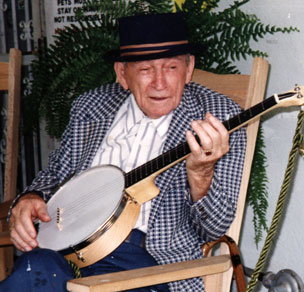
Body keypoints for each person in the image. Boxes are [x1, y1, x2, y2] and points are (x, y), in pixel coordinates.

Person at [0, 12, 246, 292]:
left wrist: (201, 174)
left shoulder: (220, 118)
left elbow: (213, 229)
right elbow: (53, 177)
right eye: (145, 70)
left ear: (188, 70)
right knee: (29, 278)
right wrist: (30, 199)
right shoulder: (90, 107)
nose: (159, 83)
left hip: (147, 266)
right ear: (122, 74)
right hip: (62, 251)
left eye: (171, 68)